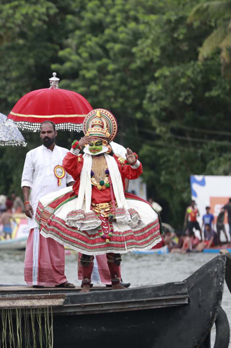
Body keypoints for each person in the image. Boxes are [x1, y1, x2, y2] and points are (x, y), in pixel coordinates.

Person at [36, 109, 160, 292]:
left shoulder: (115, 161)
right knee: (87, 250)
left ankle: (115, 281)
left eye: (99, 141)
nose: (95, 144)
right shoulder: (81, 160)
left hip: (112, 209)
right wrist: (77, 146)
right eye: (91, 141)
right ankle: (86, 283)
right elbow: (67, 165)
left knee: (114, 248)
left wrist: (133, 162)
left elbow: (133, 173)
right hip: (88, 208)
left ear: (106, 142)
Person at [21, 120, 75, 288]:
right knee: (38, 242)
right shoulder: (32, 154)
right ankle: (37, 280)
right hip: (38, 206)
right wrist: (26, 202)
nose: (46, 135)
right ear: (40, 134)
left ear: (55, 133)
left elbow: (71, 181)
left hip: (59, 206)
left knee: (57, 242)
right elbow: (26, 181)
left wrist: (72, 202)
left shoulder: (66, 154)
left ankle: (59, 280)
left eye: (48, 132)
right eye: (43, 132)